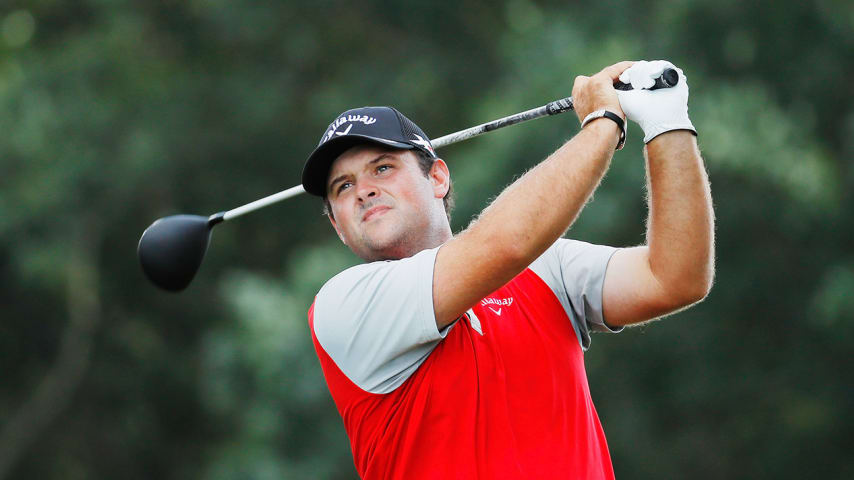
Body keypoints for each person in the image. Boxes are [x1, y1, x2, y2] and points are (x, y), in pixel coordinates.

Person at [300, 60, 714, 479]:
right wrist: (603, 121)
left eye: (382, 167)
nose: (364, 190)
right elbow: (505, 244)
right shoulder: (344, 305)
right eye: (343, 186)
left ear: (438, 177)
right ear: (337, 225)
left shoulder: (546, 266)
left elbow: (675, 278)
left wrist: (667, 123)